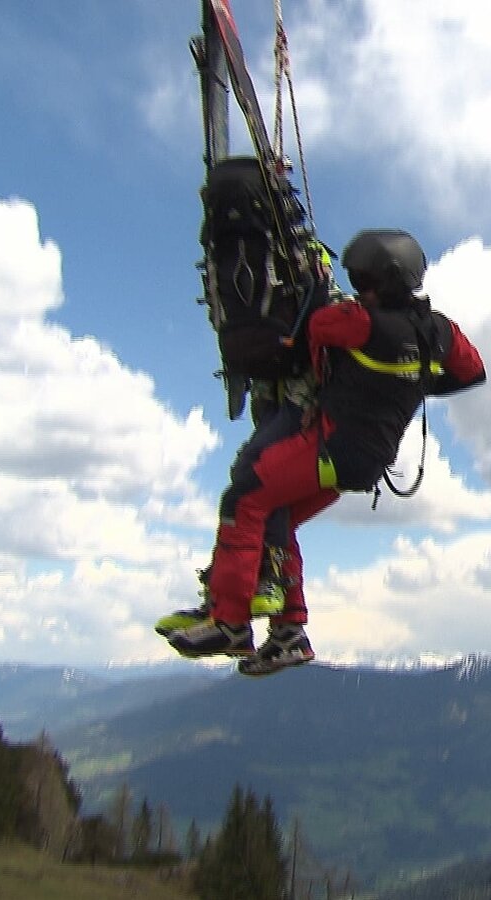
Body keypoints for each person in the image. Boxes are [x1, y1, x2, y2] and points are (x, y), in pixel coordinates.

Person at [168, 228, 487, 675]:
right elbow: (473, 372)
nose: (358, 286)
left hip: (330, 448)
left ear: (378, 280)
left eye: (361, 279)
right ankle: (289, 634)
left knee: (245, 496)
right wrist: (413, 381)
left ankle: (231, 621)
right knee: (276, 516)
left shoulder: (359, 322)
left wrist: (319, 281)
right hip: (367, 462)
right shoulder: (441, 331)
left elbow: (317, 325)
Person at [153, 242, 340, 638]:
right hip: (302, 412)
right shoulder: (306, 287)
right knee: (268, 502)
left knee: (248, 490)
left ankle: (234, 610)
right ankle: (280, 621)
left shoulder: (292, 286)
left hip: (300, 409)